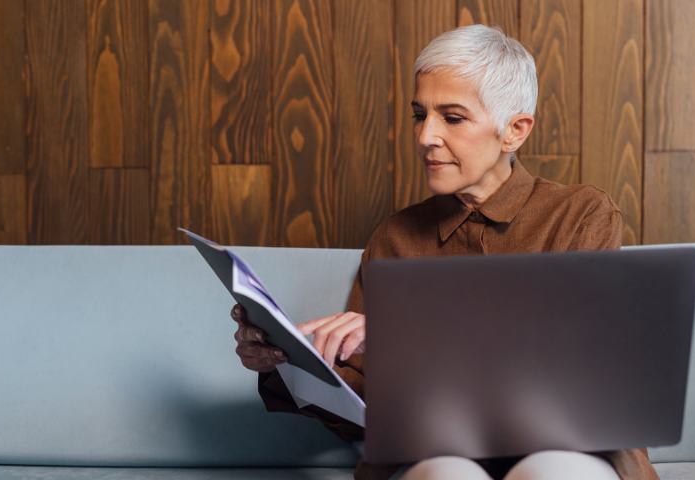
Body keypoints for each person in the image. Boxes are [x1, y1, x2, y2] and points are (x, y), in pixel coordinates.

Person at [231, 25, 659, 480]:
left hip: (563, 444)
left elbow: (576, 366)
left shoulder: (580, 214)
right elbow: (365, 409)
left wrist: (403, 334)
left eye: (452, 118)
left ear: (514, 130)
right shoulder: (396, 237)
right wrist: (290, 365)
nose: (425, 137)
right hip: (435, 452)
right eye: (420, 115)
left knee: (556, 472)